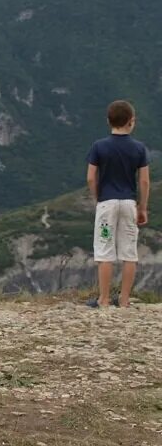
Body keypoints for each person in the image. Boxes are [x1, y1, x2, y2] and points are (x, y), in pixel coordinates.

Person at [86, 100, 151, 308]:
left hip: (107, 204)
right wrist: (142, 207)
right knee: (129, 251)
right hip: (129, 203)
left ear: (108, 121)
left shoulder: (99, 146)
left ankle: (103, 299)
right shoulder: (139, 148)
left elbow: (90, 177)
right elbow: (144, 180)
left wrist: (98, 198)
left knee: (105, 250)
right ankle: (124, 300)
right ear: (131, 122)